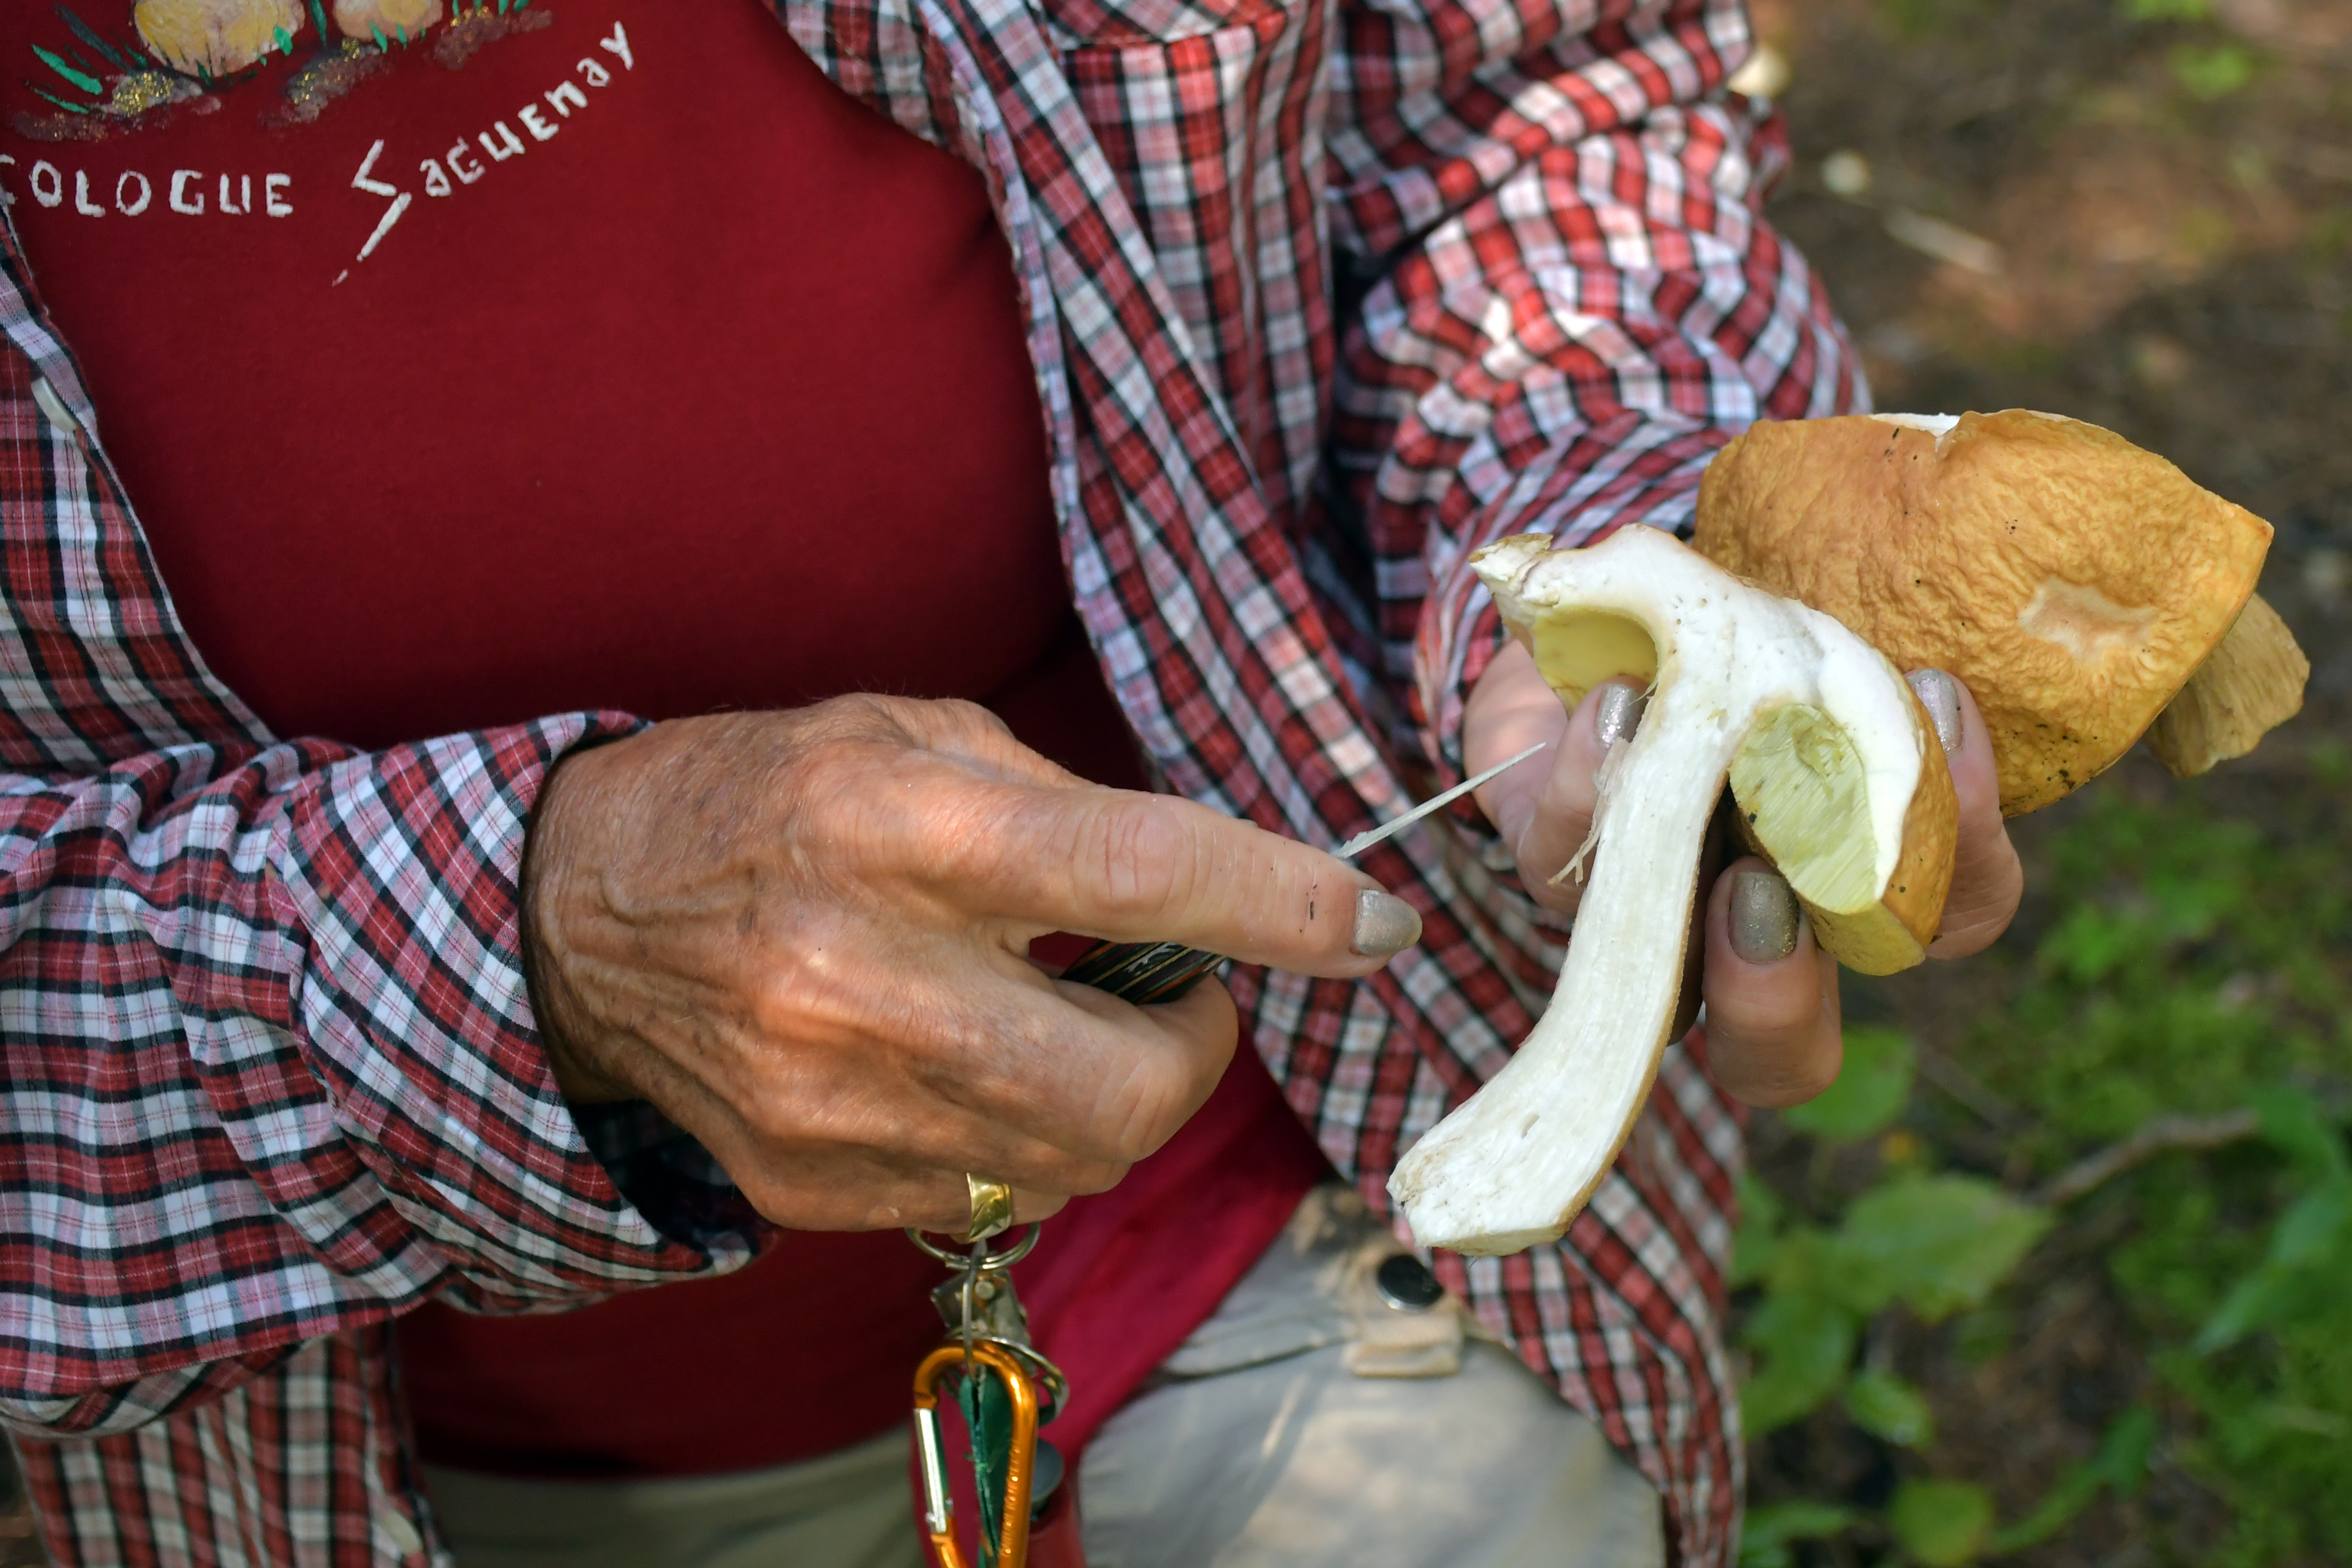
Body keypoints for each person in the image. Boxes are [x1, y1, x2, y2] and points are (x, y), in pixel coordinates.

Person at [0, 1, 2022, 1565]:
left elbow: (1519, 92)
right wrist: (525, 962)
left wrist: (1610, 549)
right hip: (319, 1463)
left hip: (1307, 1172)